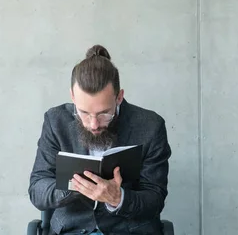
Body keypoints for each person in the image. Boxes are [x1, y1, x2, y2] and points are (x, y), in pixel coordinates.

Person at [28, 45, 172, 234]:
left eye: (104, 113)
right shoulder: (56, 121)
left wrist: (117, 198)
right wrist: (76, 186)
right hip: (72, 230)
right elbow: (37, 189)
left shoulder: (150, 126)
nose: (94, 124)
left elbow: (154, 199)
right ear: (73, 96)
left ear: (119, 97)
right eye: (84, 113)